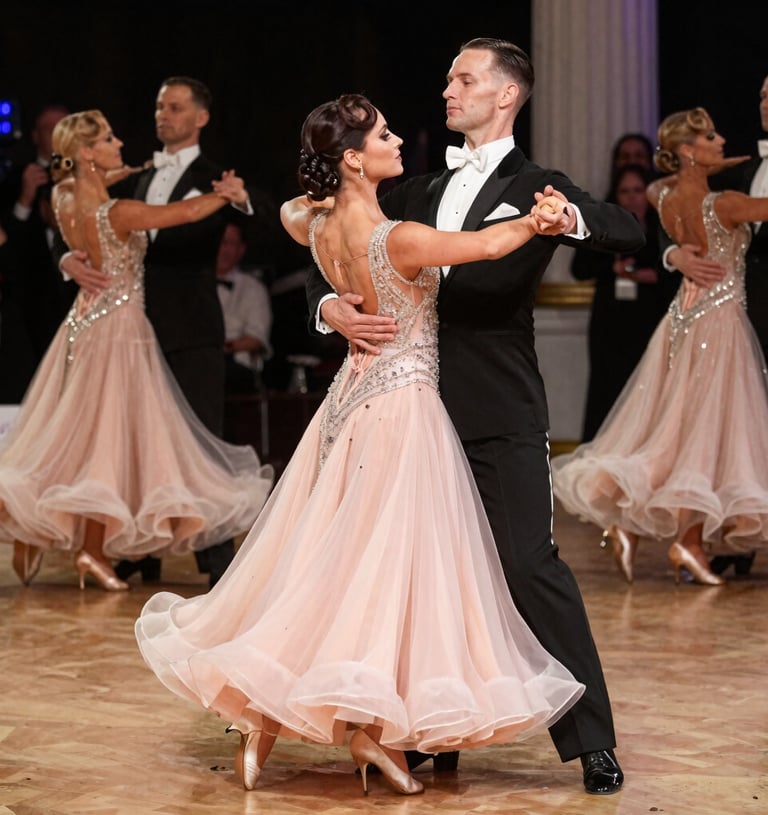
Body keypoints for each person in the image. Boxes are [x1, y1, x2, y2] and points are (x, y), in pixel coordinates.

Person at [135, 93, 586, 798]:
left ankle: (265, 722)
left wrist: (331, 299)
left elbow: (291, 210)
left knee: (325, 568)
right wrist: (538, 219)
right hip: (402, 415)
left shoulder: (312, 225)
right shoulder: (398, 238)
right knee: (386, 575)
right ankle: (369, 731)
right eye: (383, 133)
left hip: (344, 409)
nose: (399, 138)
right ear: (353, 157)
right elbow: (487, 246)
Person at [305, 39, 646, 795]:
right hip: (403, 409)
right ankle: (427, 730)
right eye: (450, 78)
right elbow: (331, 244)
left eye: (465, 79)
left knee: (528, 562)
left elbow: (629, 229)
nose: (448, 89)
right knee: (410, 574)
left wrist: (567, 223)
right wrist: (327, 307)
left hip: (496, 405)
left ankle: (590, 737)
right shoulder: (417, 187)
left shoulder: (539, 187)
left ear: (507, 95)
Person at [0, 110, 273, 592]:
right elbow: (181, 214)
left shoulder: (62, 197)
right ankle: (89, 548)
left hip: (81, 328)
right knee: (108, 441)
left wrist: (75, 240)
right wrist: (223, 195)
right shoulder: (116, 213)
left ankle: (89, 548)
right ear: (86, 153)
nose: (119, 141)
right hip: (120, 336)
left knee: (86, 442)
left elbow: (82, 189)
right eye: (108, 138)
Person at [552, 106, 768, 588]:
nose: (722, 141)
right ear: (689, 151)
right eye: (712, 138)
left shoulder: (662, 193)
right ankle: (688, 542)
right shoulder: (726, 204)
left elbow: (654, 190)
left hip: (679, 323)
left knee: (677, 433)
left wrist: (673, 252)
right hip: (721, 325)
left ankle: (631, 526)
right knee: (705, 436)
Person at [58, 77, 248, 589]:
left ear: (201, 117)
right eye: (159, 105)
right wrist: (66, 259)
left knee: (200, 442)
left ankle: (215, 562)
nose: (163, 115)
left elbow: (218, 225)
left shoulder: (219, 177)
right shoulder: (131, 175)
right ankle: (142, 552)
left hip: (188, 329)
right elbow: (75, 203)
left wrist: (238, 201)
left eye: (175, 106)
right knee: (131, 444)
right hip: (128, 332)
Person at [662, 75, 768, 579]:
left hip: (698, 317)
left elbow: (666, 198)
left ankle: (673, 535)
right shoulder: (729, 193)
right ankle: (710, 542)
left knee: (695, 428)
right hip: (731, 323)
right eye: (763, 94)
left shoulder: (693, 189)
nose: (765, 103)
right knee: (719, 433)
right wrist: (671, 254)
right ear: (689, 149)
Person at [570, 163, 680, 441]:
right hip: (611, 325)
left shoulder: (662, 227)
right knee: (607, 388)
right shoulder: (605, 224)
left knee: (650, 386)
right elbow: (580, 269)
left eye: (638, 190)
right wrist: (613, 269)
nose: (632, 197)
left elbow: (677, 276)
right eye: (624, 191)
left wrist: (652, 276)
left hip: (650, 321)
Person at [0, 104, 77, 402]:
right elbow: (9, 251)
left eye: (64, 127)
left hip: (75, 296)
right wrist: (25, 199)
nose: (57, 135)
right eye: (49, 129)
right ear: (34, 136)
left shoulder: (89, 175)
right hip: (29, 304)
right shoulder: (15, 176)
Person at [216, 221, 273, 394]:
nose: (224, 249)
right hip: (200, 363)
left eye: (230, 243)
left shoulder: (253, 288)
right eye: (220, 242)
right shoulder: (195, 287)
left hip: (236, 367)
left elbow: (256, 339)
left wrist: (221, 348)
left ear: (241, 250)